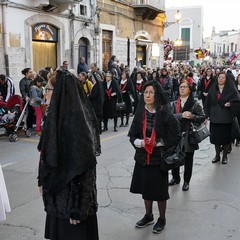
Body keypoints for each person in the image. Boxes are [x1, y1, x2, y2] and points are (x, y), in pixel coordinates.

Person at [38, 69, 101, 240]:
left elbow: (86, 170)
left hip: (72, 206)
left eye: (48, 89)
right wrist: (42, 179)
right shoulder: (53, 116)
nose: (45, 93)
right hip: (57, 201)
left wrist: (77, 208)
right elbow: (44, 153)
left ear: (59, 92)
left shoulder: (75, 123)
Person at [128, 80, 181, 234]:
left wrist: (159, 143)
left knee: (160, 191)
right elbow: (133, 136)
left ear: (157, 95)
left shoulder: (164, 113)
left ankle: (162, 218)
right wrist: (139, 142)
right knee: (146, 187)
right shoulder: (140, 113)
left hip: (159, 156)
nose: (148, 95)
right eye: (145, 92)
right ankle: (148, 215)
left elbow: (176, 135)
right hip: (143, 156)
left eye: (151, 92)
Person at [169, 81, 206, 191]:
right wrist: (181, 115)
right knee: (175, 157)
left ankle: (186, 181)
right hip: (175, 134)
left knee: (188, 159)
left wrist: (192, 116)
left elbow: (202, 117)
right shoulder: (174, 103)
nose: (182, 89)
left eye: (184, 87)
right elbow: (169, 117)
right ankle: (175, 178)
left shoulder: (194, 103)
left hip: (189, 135)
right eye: (180, 87)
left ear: (189, 90)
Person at [204, 72, 240, 164]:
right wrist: (206, 115)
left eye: (223, 78)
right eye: (219, 77)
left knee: (226, 139)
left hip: (226, 118)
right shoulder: (213, 89)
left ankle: (224, 156)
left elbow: (237, 102)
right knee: (216, 138)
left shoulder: (231, 89)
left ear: (226, 79)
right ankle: (217, 155)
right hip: (215, 118)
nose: (220, 79)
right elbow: (207, 103)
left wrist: (231, 104)